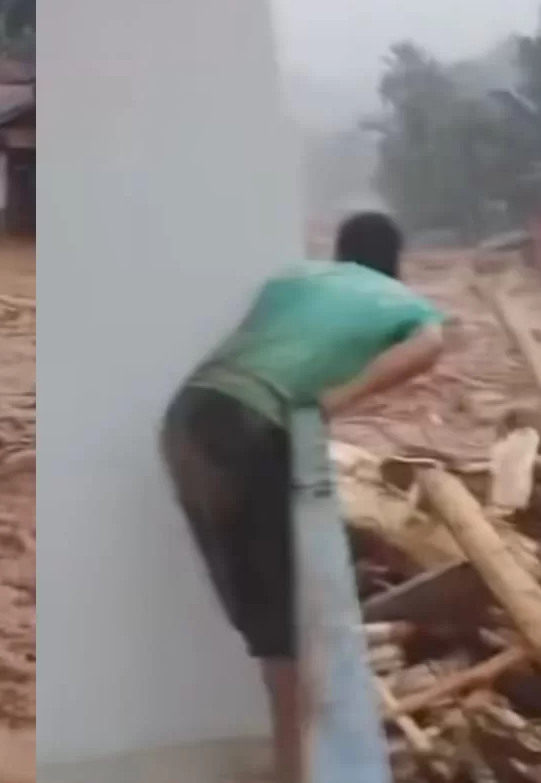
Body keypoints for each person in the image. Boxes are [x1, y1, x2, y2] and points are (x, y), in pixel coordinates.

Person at [159, 211, 446, 783]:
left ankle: (297, 760)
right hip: (255, 424)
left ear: (340, 252)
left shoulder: (293, 279)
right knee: (289, 625)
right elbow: (429, 345)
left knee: (263, 615)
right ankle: (300, 773)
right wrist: (336, 401)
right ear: (394, 259)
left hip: (186, 417)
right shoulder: (403, 301)